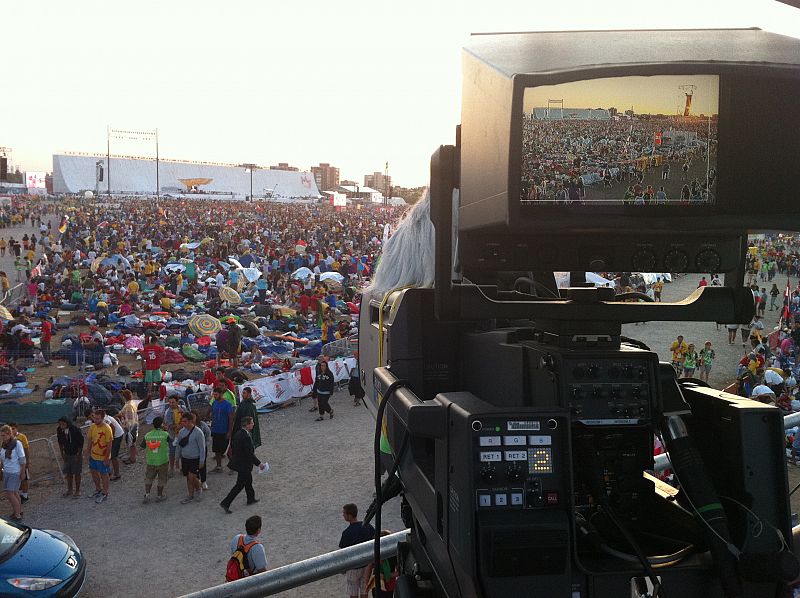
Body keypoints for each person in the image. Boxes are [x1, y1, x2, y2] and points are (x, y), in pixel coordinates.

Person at [219, 416, 266, 513]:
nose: (253, 424)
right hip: (244, 465)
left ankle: (250, 498)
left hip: (241, 463)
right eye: (251, 423)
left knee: (248, 481)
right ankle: (226, 502)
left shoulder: (239, 433)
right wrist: (259, 464)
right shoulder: (246, 436)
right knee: (240, 485)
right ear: (247, 425)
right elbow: (249, 453)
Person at [339, 503, 375, 598]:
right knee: (364, 590)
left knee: (353, 591)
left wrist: (343, 568)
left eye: (344, 513)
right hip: (367, 564)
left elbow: (343, 553)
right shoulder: (368, 527)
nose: (343, 515)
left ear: (349, 515)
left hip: (353, 566)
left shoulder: (346, 533)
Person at [174, 412, 206, 504]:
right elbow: (179, 446)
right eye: (182, 421)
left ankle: (198, 489)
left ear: (190, 421)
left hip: (195, 458)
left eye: (185, 421)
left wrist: (202, 461)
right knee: (188, 478)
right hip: (185, 458)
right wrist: (177, 458)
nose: (183, 423)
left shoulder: (198, 432)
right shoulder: (181, 432)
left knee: (192, 477)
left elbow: (202, 448)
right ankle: (190, 495)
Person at [86, 409, 113, 504]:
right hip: (93, 455)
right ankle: (98, 489)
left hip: (103, 457)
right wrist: (88, 453)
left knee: (104, 474)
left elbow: (109, 444)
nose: (96, 420)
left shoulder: (107, 428)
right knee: (93, 472)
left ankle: (105, 493)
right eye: (95, 418)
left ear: (102, 418)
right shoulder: (92, 427)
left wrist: (106, 458)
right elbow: (90, 440)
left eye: (98, 419)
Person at [0, 425, 26, 521]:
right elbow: (2, 459)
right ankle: (18, 511)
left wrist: (23, 472)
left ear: (9, 434)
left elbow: (22, 459)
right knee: (14, 492)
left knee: (10, 493)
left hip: (15, 471)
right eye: (1, 435)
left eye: (4, 435)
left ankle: (17, 515)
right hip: (7, 471)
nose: (2, 437)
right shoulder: (3, 445)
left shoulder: (17, 443)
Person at [143, 416, 170, 503]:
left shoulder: (147, 435)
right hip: (163, 460)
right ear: (162, 424)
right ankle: (159, 495)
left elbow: (142, 445)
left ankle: (147, 495)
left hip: (151, 461)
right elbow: (171, 442)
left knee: (149, 478)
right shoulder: (165, 434)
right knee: (161, 478)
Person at [364, 530, 398, 597]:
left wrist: (367, 582)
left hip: (380, 583)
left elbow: (369, 567)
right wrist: (388, 575)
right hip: (386, 584)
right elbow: (398, 572)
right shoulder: (393, 554)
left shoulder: (377, 553)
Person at [56, 416, 84, 498]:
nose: (61, 426)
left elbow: (81, 443)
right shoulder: (60, 430)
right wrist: (62, 453)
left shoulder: (75, 430)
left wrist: (78, 455)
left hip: (75, 453)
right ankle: (70, 489)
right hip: (67, 453)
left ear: (67, 423)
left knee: (77, 472)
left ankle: (77, 490)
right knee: (68, 472)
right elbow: (60, 442)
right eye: (60, 424)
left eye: (63, 424)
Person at [210, 386, 235, 472]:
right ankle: (219, 466)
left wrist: (229, 431)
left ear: (221, 394)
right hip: (215, 430)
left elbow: (231, 418)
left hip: (224, 430)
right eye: (214, 395)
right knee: (216, 449)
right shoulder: (214, 403)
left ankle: (233, 467)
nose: (214, 396)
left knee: (225, 449)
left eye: (216, 395)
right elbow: (213, 414)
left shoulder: (227, 404)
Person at [164, 396, 187, 478]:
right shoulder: (168, 412)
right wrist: (180, 425)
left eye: (173, 402)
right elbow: (169, 425)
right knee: (172, 452)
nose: (171, 404)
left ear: (177, 402)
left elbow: (188, 417)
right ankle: (172, 469)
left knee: (184, 451)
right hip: (173, 435)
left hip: (184, 434)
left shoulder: (183, 409)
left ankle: (183, 467)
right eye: (170, 402)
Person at [9, 424, 30, 504]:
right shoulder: (9, 439)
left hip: (22, 461)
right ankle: (20, 494)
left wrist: (27, 461)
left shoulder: (22, 437)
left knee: (24, 479)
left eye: (13, 428)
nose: (12, 430)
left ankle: (25, 495)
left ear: (17, 428)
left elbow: (26, 449)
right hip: (14, 463)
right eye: (10, 429)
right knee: (18, 479)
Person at [141, 333, 165, 400]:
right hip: (156, 365)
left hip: (149, 366)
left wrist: (143, 365)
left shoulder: (146, 348)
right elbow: (164, 353)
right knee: (157, 379)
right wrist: (159, 358)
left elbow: (143, 357)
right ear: (156, 341)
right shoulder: (158, 347)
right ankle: (156, 391)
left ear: (150, 341)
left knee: (149, 380)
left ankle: (149, 392)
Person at [117, 390, 139, 465]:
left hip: (130, 426)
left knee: (131, 442)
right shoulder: (132, 403)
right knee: (132, 442)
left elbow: (126, 416)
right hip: (133, 424)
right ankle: (132, 456)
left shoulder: (128, 405)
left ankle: (132, 458)